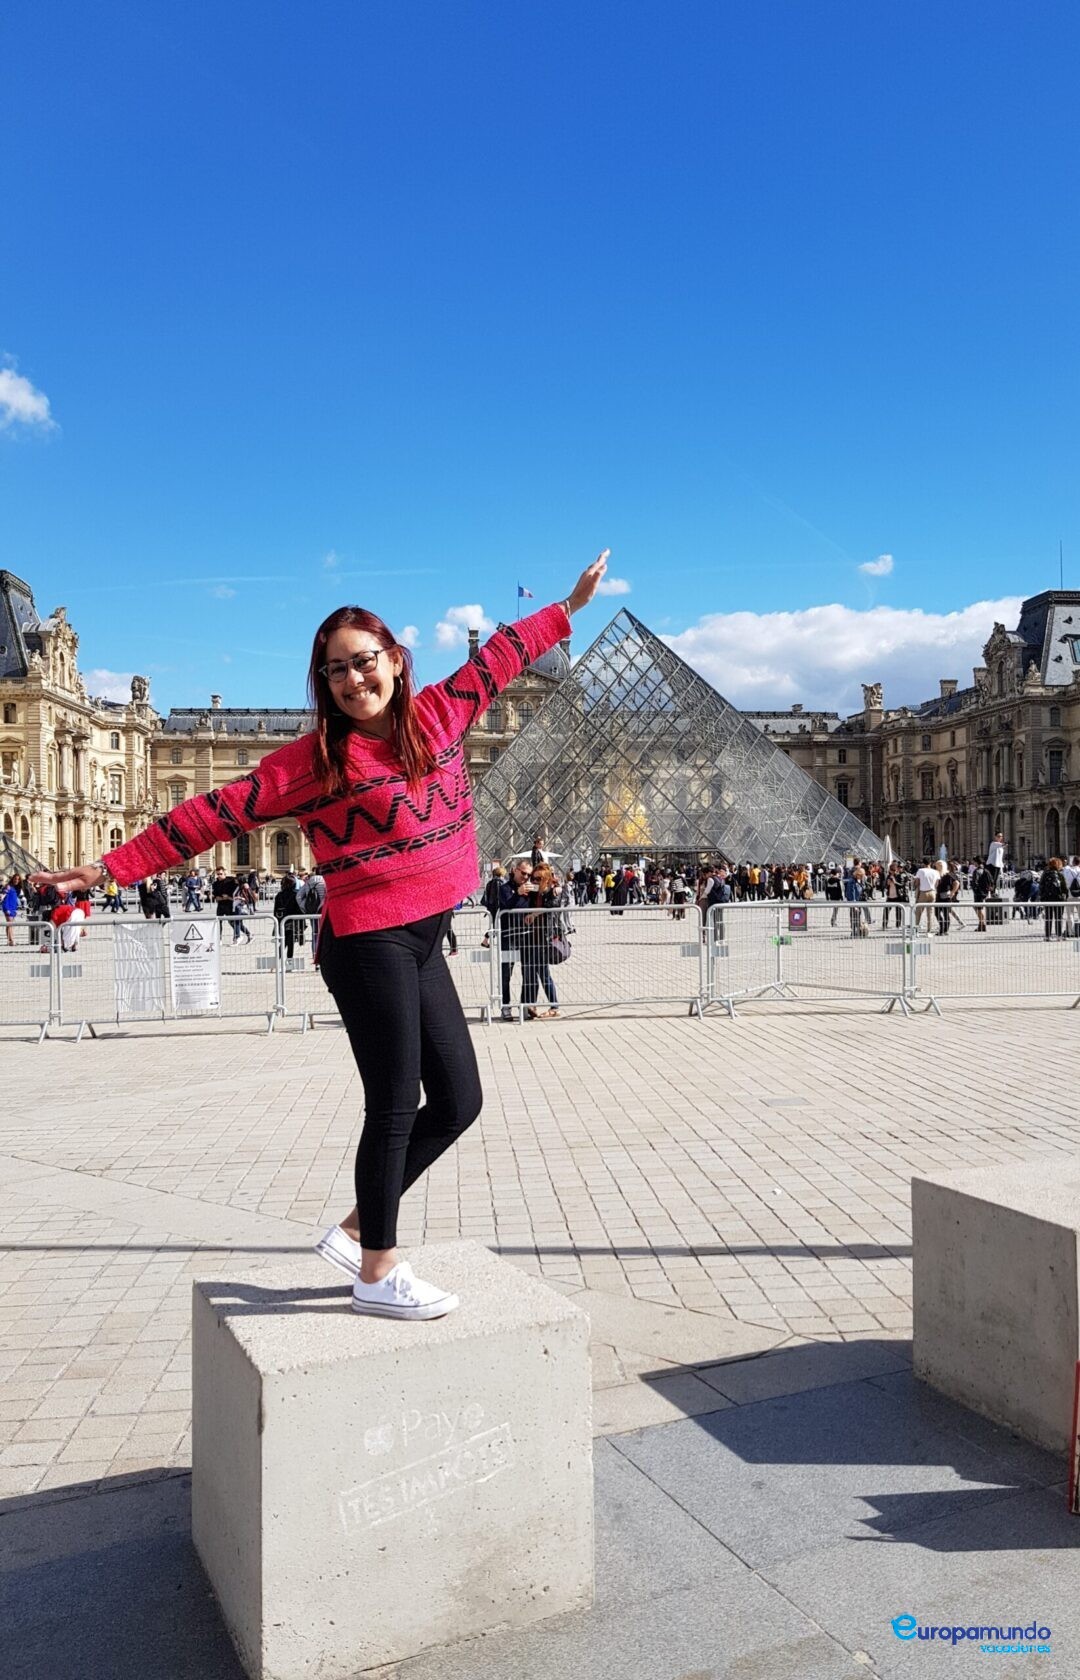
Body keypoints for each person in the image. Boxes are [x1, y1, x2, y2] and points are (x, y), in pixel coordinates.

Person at [31, 552, 609, 1320]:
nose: (351, 679)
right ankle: (377, 1271)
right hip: (367, 941)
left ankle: (355, 1230)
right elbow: (206, 817)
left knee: (460, 1100)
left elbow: (507, 654)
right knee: (397, 1101)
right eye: (333, 670)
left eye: (363, 662)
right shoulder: (313, 762)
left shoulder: (444, 711)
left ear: (396, 663)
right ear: (324, 683)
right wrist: (105, 870)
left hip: (423, 936)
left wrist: (569, 605)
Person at [520, 861, 560, 1018]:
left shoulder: (552, 890)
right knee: (530, 973)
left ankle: (554, 1007)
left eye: (537, 878)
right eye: (533, 877)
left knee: (543, 973)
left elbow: (551, 906)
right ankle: (532, 1005)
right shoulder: (534, 890)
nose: (534, 880)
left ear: (545, 878)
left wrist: (534, 914)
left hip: (544, 937)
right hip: (531, 936)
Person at [273, 871, 305, 960]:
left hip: (282, 920)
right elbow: (299, 910)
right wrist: (302, 925)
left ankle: (278, 959)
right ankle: (288, 961)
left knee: (285, 941)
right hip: (293, 921)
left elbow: (275, 910)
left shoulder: (279, 895)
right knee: (289, 942)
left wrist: (276, 923)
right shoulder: (295, 895)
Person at [1039, 856, 1068, 940]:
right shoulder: (1060, 874)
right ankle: (1059, 935)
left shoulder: (1045, 874)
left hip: (1048, 899)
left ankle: (1047, 936)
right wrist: (1065, 896)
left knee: (1048, 918)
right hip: (1059, 899)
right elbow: (1064, 887)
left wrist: (1042, 897)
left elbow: (1041, 886)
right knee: (1058, 918)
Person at [2, 877, 19, 946]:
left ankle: (9, 940)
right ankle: (11, 940)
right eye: (15, 879)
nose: (16, 880)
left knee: (10, 924)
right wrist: (6, 908)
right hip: (8, 908)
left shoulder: (14, 887)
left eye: (18, 879)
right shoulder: (8, 886)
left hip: (12, 908)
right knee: (10, 924)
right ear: (12, 879)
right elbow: (4, 897)